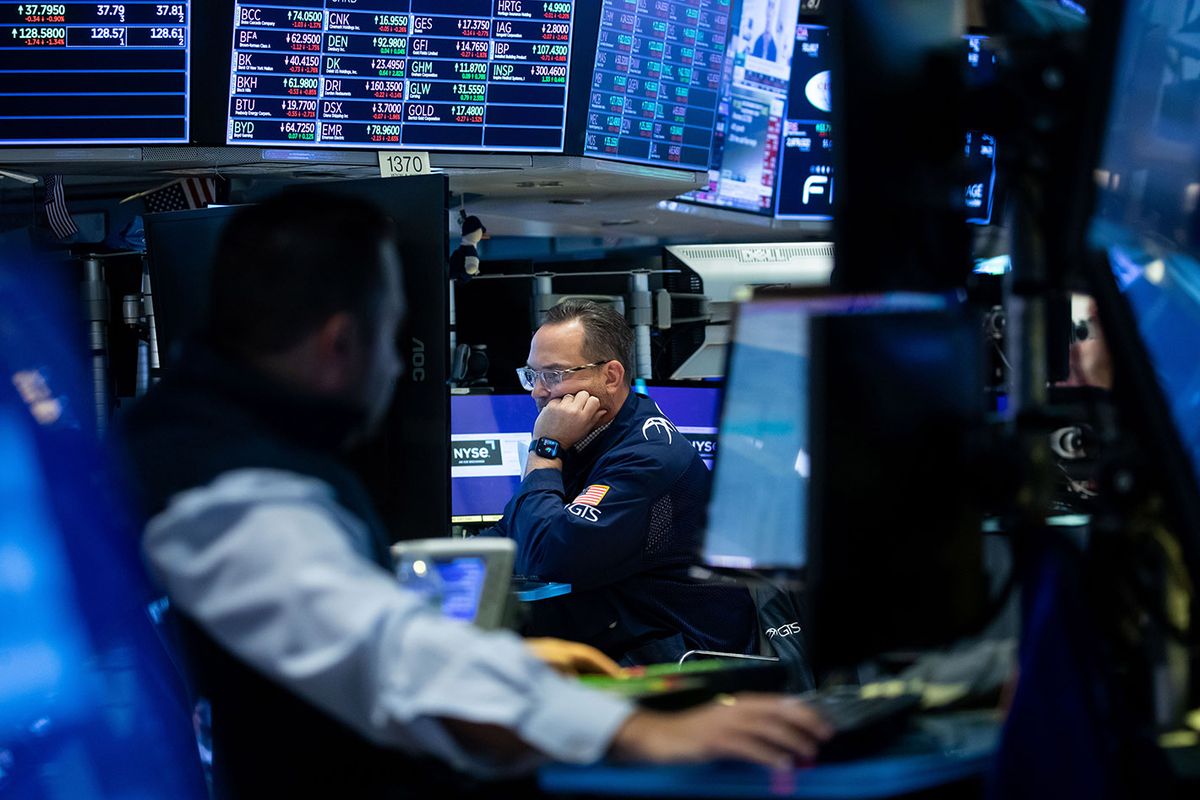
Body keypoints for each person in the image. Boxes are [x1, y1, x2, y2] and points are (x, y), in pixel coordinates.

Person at [116, 189, 830, 798]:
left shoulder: (190, 440)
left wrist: (541, 464)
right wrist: (637, 735)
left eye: (559, 376)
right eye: (392, 340)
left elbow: (543, 547)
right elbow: (393, 656)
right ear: (340, 342)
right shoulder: (225, 481)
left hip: (676, 648)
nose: (398, 366)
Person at [485, 300, 760, 665]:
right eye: (532, 375)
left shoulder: (647, 456)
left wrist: (543, 450)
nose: (537, 391)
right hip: (626, 641)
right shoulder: (589, 439)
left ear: (611, 376)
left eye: (552, 375)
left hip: (684, 663)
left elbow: (550, 558)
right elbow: (511, 534)